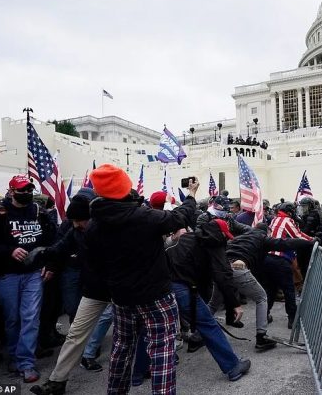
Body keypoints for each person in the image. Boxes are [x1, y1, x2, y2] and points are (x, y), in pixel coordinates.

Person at [85, 164, 198, 394]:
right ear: (125, 188)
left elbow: (95, 266)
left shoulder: (93, 227)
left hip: (121, 298)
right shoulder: (143, 217)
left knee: (121, 349)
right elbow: (180, 217)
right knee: (162, 351)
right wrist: (192, 195)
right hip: (156, 297)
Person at [30, 191, 114, 395]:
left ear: (92, 217)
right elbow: (60, 247)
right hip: (94, 290)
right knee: (75, 334)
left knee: (135, 332)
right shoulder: (76, 231)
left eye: (80, 220)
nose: (76, 224)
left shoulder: (111, 228)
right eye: (73, 220)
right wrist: (42, 253)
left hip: (120, 288)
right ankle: (57, 381)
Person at [165, 213, 251, 380]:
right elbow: (223, 275)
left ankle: (140, 372)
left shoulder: (188, 237)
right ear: (219, 234)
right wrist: (235, 303)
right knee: (209, 325)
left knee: (156, 328)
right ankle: (233, 367)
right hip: (182, 288)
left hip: (161, 286)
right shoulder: (214, 243)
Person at [210, 222, 314, 350]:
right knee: (261, 298)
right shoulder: (263, 238)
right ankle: (261, 337)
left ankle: (197, 336)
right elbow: (286, 243)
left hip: (220, 268)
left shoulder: (241, 236)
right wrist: (310, 242)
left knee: (214, 303)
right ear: (267, 232)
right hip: (237, 267)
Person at [0, 175, 57, 383]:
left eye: (30, 189)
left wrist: (51, 265)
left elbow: (52, 242)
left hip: (33, 274)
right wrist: (9, 250)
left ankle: (26, 362)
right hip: (7, 275)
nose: (27, 193)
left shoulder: (40, 212)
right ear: (11, 191)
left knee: (30, 318)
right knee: (13, 319)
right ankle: (13, 356)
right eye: (22, 189)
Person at [264, 202, 313, 329]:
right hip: (281, 259)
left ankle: (265, 315)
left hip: (268, 258)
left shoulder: (274, 220)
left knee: (271, 289)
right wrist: (313, 240)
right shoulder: (286, 220)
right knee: (288, 290)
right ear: (290, 211)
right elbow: (298, 236)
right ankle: (292, 319)